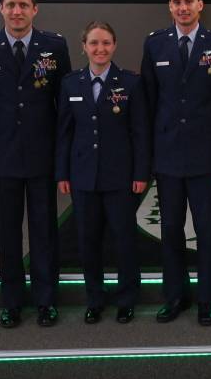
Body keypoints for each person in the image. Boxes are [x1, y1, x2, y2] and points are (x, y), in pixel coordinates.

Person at [0, 0, 71, 328]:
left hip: (42, 159)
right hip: (2, 160)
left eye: (24, 5)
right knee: (8, 234)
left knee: (45, 233)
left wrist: (63, 162)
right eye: (11, 5)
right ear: (1, 9)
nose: (17, 11)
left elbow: (65, 109)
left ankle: (46, 300)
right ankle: (11, 301)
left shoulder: (54, 46)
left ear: (34, 9)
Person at [141, 0, 211, 326]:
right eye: (176, 2)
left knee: (208, 231)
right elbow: (148, 104)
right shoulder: (155, 45)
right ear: (170, 6)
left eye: (188, 2)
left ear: (200, 4)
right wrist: (147, 157)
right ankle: (175, 296)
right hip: (167, 155)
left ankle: (207, 299)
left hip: (207, 156)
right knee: (171, 229)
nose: (182, 8)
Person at [56, 21, 150, 324]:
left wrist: (140, 173)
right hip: (83, 176)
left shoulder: (131, 83)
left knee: (124, 239)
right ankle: (94, 298)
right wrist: (62, 173)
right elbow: (64, 133)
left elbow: (140, 133)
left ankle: (126, 298)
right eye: (94, 43)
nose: (100, 49)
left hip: (120, 176)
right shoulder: (71, 83)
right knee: (88, 240)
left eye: (106, 43)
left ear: (115, 46)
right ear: (83, 46)